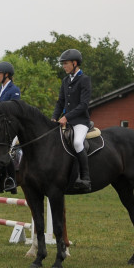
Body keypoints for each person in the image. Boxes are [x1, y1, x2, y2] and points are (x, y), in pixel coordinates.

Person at [52, 49, 92, 192]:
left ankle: (85, 178)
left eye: (66, 63)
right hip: (66, 121)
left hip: (81, 121)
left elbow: (84, 105)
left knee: (76, 142)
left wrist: (66, 117)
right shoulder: (65, 80)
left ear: (75, 63)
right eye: (63, 64)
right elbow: (60, 102)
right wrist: (54, 117)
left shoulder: (84, 80)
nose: (64, 66)